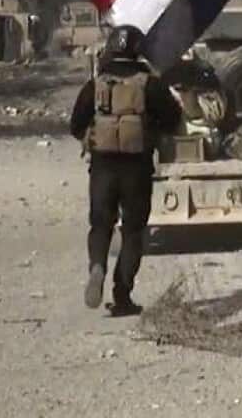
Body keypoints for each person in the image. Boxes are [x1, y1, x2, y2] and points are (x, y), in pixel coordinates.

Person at [69, 25, 182, 316]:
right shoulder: (149, 83)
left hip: (103, 165)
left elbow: (75, 125)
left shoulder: (97, 84)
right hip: (137, 166)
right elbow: (172, 118)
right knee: (132, 231)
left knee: (100, 225)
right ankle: (122, 295)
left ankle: (97, 267)